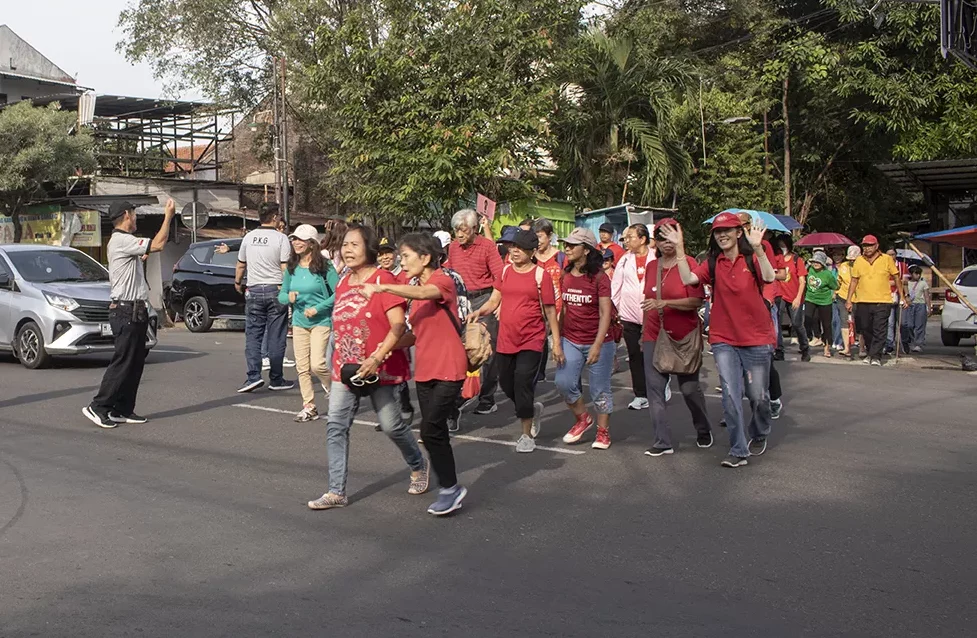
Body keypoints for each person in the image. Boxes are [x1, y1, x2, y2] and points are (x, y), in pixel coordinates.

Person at [308, 225, 428, 510]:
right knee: (336, 425)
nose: (347, 250)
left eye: (354, 245)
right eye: (344, 245)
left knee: (392, 426)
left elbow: (399, 325)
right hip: (346, 368)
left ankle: (418, 464)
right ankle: (336, 491)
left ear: (369, 249)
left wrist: (376, 357)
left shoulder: (383, 279)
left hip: (380, 368)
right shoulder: (342, 281)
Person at [353, 233, 468, 516]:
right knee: (434, 433)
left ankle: (449, 488)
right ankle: (450, 488)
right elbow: (415, 334)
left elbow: (424, 293)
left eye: (405, 256)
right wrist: (383, 347)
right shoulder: (415, 288)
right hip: (426, 370)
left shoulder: (442, 281)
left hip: (450, 367)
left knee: (430, 430)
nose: (401, 263)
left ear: (425, 257)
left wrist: (383, 288)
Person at [659, 212, 777, 468]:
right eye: (717, 231)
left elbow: (768, 277)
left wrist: (758, 249)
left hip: (757, 337)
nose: (722, 235)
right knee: (730, 396)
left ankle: (760, 430)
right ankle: (738, 449)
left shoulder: (751, 257)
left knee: (758, 395)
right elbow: (689, 278)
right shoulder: (714, 262)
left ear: (738, 233)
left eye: (727, 230)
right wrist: (680, 248)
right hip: (724, 338)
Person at [83, 199, 176, 428]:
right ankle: (98, 406)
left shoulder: (125, 244)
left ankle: (122, 408)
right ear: (126, 215)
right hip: (126, 310)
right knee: (123, 361)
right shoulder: (122, 240)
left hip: (136, 310)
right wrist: (168, 216)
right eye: (134, 214)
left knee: (135, 363)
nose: (136, 218)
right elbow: (159, 244)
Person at [467, 229, 563, 453]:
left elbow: (550, 311)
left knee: (522, 383)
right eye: (511, 247)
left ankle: (526, 435)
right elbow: (494, 300)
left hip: (532, 338)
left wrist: (556, 342)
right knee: (507, 385)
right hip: (506, 338)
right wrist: (479, 312)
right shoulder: (505, 272)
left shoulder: (541, 276)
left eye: (519, 247)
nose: (514, 251)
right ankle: (530, 408)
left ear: (531, 251)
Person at [640, 218, 712, 456]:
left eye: (671, 236)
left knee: (690, 389)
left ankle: (703, 429)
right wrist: (643, 335)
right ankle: (662, 442)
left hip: (683, 336)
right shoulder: (652, 266)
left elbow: (696, 301)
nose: (666, 242)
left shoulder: (688, 264)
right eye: (661, 237)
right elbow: (647, 302)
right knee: (654, 389)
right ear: (656, 242)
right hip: (654, 334)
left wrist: (666, 302)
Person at [555, 229, 615, 449]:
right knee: (563, 382)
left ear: (587, 250)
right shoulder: (565, 275)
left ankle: (603, 431)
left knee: (600, 390)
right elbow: (563, 310)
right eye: (566, 244)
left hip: (599, 341)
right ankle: (583, 418)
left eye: (573, 245)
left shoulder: (600, 277)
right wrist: (557, 340)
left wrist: (597, 345)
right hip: (570, 339)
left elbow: (605, 313)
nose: (567, 248)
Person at [444, 208, 504, 415]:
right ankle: (463, 392)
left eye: (463, 230)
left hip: (484, 299)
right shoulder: (452, 248)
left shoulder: (487, 246)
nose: (459, 234)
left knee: (485, 350)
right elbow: (449, 274)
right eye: (456, 230)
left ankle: (487, 397)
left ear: (474, 228)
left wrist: (498, 301)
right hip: (461, 302)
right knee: (461, 349)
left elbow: (499, 275)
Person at [278, 224, 339, 422]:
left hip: (321, 321)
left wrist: (318, 308)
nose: (296, 243)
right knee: (302, 367)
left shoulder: (325, 267)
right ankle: (309, 406)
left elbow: (339, 292)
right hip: (299, 322)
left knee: (317, 365)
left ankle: (336, 392)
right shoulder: (292, 267)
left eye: (300, 239)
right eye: (294, 239)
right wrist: (290, 298)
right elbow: (281, 295)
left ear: (312, 243)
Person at [235, 202, 295, 393]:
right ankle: (276, 379)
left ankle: (253, 376)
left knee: (253, 335)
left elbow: (240, 264)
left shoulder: (249, 237)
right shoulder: (281, 238)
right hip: (275, 290)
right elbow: (285, 267)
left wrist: (238, 282)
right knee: (276, 336)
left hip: (253, 290)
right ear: (275, 217)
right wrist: (287, 289)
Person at [846, 235, 906, 366]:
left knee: (880, 329)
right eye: (865, 246)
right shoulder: (859, 261)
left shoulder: (886, 259)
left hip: (882, 301)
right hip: (862, 300)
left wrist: (902, 296)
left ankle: (876, 356)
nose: (867, 248)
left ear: (876, 246)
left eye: (870, 245)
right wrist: (849, 299)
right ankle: (870, 352)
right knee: (865, 329)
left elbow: (896, 278)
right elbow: (854, 280)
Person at [612, 223, 655, 410]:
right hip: (629, 315)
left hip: (653, 315)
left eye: (630, 237)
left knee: (653, 354)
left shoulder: (655, 258)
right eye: (626, 238)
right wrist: (618, 310)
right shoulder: (624, 259)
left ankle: (659, 387)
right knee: (634, 355)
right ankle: (640, 394)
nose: (626, 241)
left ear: (643, 239)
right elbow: (616, 286)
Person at [378, 236, 413, 424]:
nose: (385, 258)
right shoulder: (376, 276)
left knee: (398, 368)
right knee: (382, 369)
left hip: (401, 326)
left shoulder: (405, 275)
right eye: (381, 254)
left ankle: (405, 407)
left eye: (388, 253)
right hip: (380, 326)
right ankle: (388, 413)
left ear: (395, 255)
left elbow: (408, 300)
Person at [532, 218, 565, 382]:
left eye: (540, 237)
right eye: (535, 237)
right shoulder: (530, 258)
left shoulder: (561, 258)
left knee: (560, 346)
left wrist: (563, 312)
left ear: (550, 236)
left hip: (558, 310)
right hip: (535, 311)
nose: (537, 242)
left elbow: (566, 284)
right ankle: (538, 373)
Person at [774, 235, 811, 361]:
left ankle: (805, 348)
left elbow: (802, 281)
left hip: (795, 295)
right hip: (780, 295)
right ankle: (779, 350)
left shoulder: (796, 259)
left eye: (784, 244)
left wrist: (798, 297)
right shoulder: (776, 258)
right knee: (777, 323)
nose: (782, 247)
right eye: (780, 244)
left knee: (797, 324)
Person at [804, 251, 839, 358]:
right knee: (808, 319)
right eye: (814, 261)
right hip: (810, 299)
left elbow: (835, 286)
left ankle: (826, 347)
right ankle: (811, 339)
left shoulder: (827, 274)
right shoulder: (809, 269)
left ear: (823, 263)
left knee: (826, 325)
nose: (816, 264)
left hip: (824, 301)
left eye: (818, 262)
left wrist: (832, 292)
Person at [835, 245, 860, 357]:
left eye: (854, 260)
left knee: (859, 323)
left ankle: (862, 347)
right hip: (843, 297)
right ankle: (846, 348)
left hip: (859, 299)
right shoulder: (843, 266)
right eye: (850, 259)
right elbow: (838, 281)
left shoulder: (864, 266)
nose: (852, 261)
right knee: (844, 321)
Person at [902, 265, 930, 353]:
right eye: (915, 274)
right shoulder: (906, 283)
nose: (917, 276)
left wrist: (929, 307)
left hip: (920, 305)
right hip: (910, 305)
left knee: (920, 325)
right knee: (909, 325)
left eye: (919, 274)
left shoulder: (923, 283)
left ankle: (918, 343)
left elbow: (926, 296)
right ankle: (911, 340)